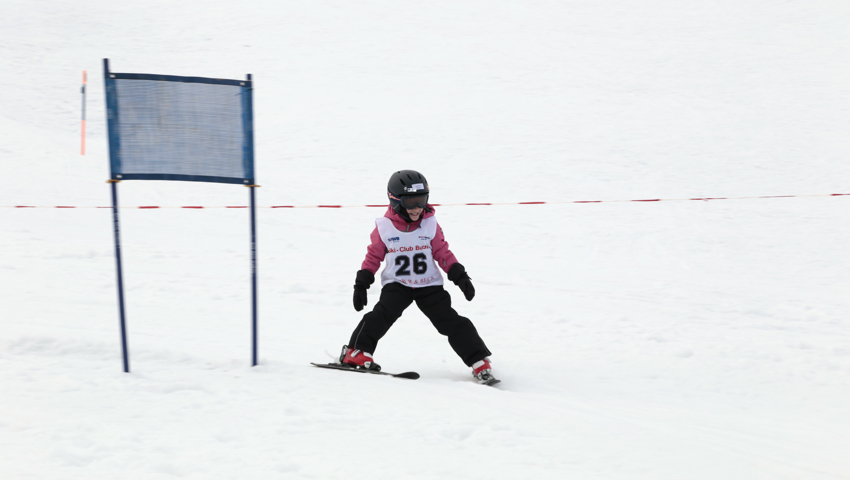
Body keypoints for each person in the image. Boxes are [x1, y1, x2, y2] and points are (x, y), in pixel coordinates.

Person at [339, 170, 496, 384]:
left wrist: (459, 276)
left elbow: (442, 252)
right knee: (380, 316)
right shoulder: (384, 227)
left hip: (428, 285)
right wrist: (362, 282)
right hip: (398, 284)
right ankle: (356, 352)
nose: (417, 208)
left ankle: (479, 361)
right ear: (395, 201)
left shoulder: (430, 223)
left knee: (451, 322)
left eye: (421, 201)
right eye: (410, 202)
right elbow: (374, 255)